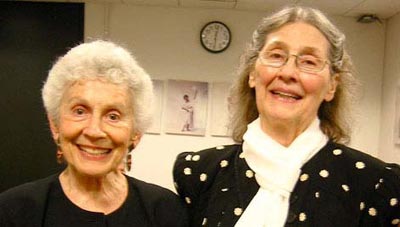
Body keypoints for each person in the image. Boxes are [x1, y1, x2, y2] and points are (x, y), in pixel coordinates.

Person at [173, 6, 400, 227]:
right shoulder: (200, 173)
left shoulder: (374, 185)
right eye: (276, 55)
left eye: (309, 62)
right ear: (252, 74)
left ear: (332, 85)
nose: (288, 73)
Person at [0, 40, 187, 227]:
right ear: (55, 125)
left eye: (113, 116)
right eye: (80, 111)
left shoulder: (165, 210)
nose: (94, 131)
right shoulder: (14, 210)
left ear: (136, 133)